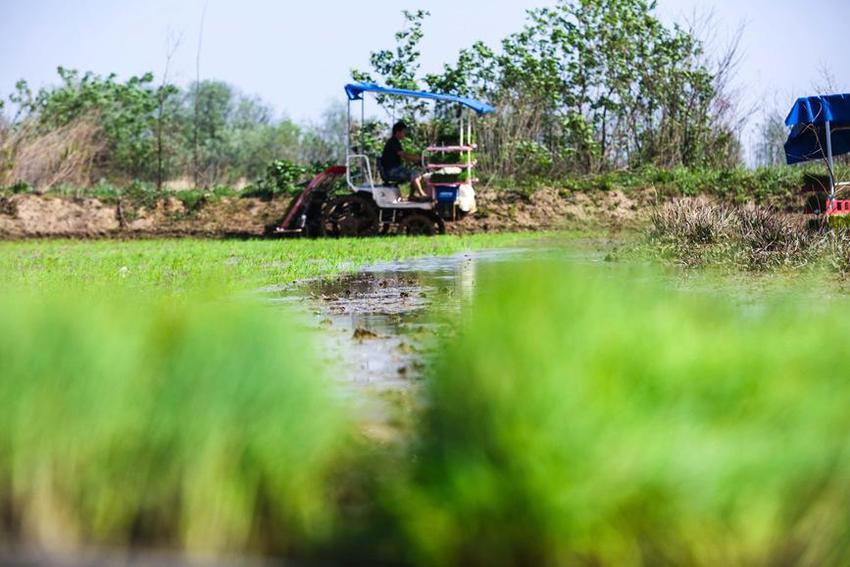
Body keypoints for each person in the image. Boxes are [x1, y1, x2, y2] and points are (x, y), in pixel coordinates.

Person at [381, 121, 430, 201]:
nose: (405, 134)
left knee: (416, 172)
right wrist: (418, 158)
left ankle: (411, 196)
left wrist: (415, 160)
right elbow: (403, 154)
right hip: (392, 171)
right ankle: (422, 195)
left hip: (396, 168)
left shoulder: (395, 142)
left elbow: (403, 156)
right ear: (398, 132)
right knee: (414, 173)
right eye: (403, 132)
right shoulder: (393, 142)